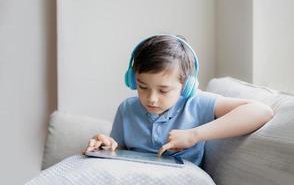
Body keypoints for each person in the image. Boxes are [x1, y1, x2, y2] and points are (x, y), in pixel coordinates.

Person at [84, 34, 273, 166]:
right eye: (142, 87)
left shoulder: (198, 103)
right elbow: (120, 148)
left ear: (186, 85)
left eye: (164, 90)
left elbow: (261, 112)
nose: (152, 99)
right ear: (132, 81)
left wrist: (194, 135)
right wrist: (107, 144)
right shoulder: (127, 108)